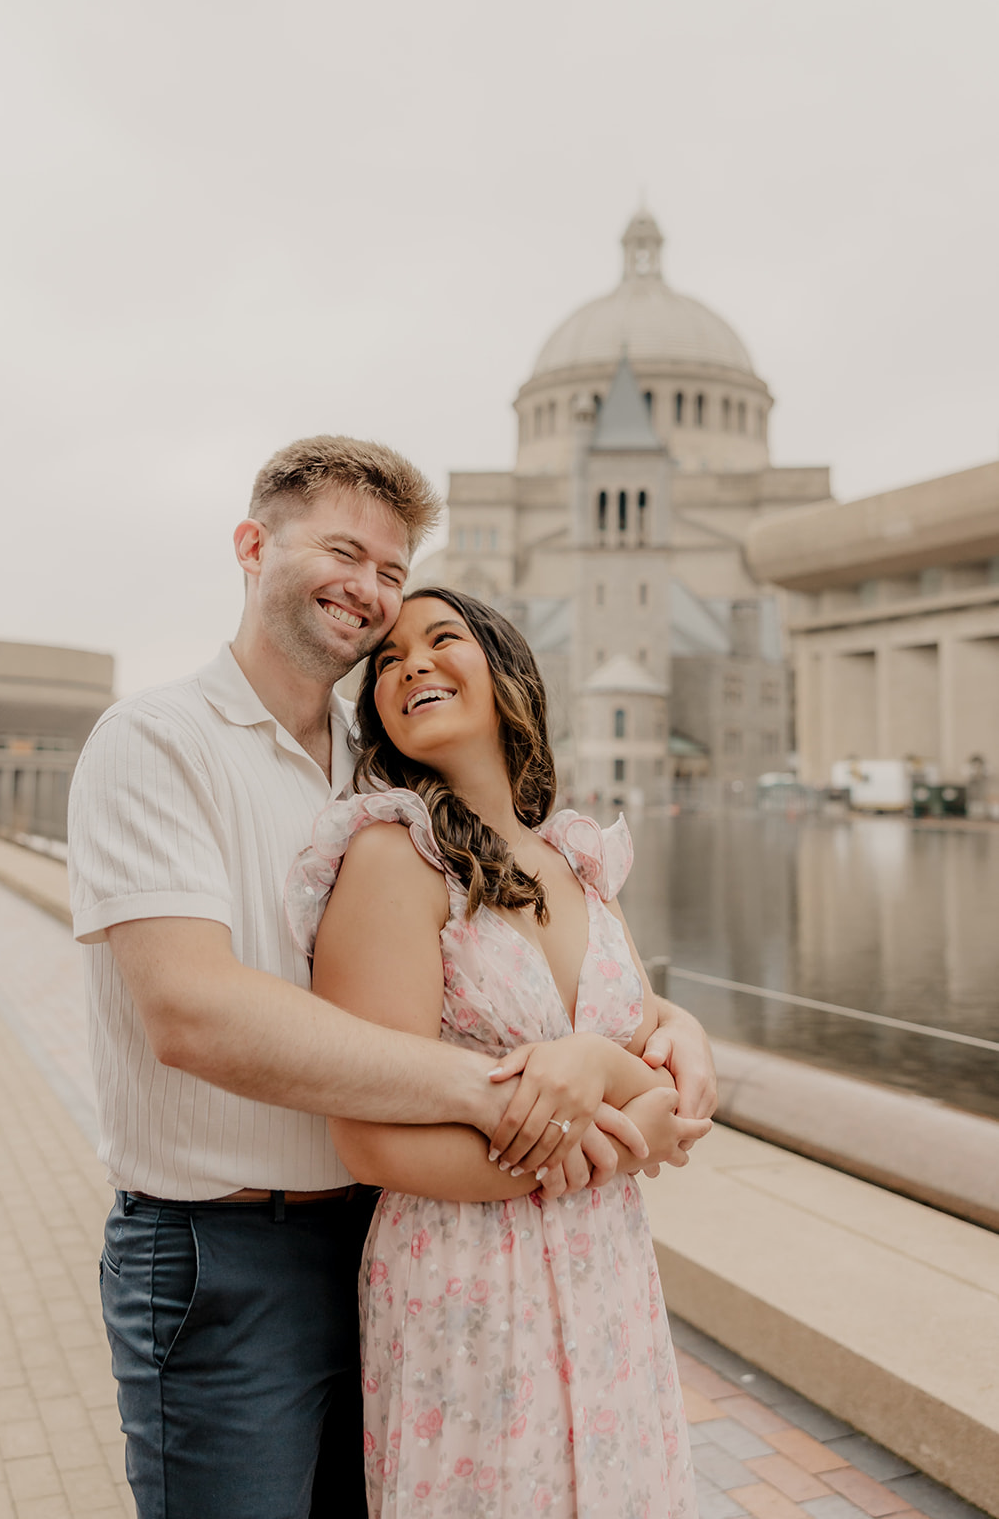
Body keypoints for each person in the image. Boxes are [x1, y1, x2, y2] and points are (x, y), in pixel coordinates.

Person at [68, 436, 717, 1519]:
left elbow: (507, 978)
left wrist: (663, 1024)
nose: (369, 591)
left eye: (391, 570)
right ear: (250, 546)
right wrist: (526, 1092)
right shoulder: (158, 744)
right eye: (342, 552)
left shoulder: (376, 777)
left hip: (390, 1228)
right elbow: (191, 1011)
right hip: (224, 1248)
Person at [287, 586, 711, 1519]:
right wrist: (607, 1142)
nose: (410, 665)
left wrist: (615, 1066)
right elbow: (371, 1143)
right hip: (464, 1276)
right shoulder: (392, 859)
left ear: (509, 672)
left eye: (442, 640)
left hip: (609, 1273)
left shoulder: (580, 862)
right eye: (388, 660)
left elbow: (661, 1092)